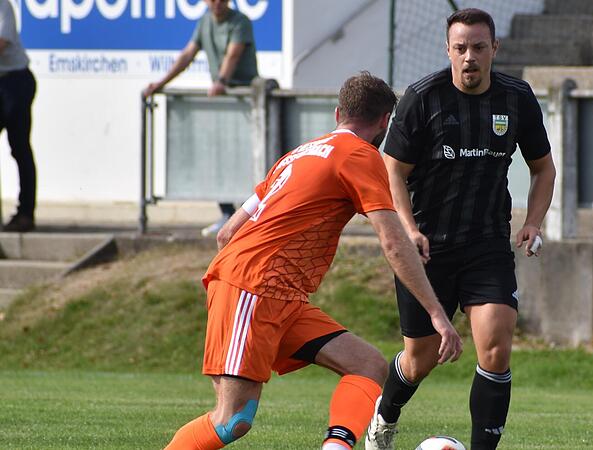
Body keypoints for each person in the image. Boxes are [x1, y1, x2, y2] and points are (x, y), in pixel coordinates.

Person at [163, 72, 462, 450]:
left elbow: (227, 233)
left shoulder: (298, 154)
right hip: (254, 289)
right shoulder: (362, 155)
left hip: (278, 295)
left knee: (369, 365)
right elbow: (393, 241)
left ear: (338, 113)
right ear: (386, 121)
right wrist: (436, 313)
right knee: (232, 420)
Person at [366, 8, 556, 450]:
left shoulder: (516, 98)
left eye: (478, 47)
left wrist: (532, 222)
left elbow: (543, 168)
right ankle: (386, 414)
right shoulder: (422, 97)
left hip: (487, 245)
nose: (469, 57)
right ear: (447, 49)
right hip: (428, 249)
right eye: (460, 48)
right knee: (420, 360)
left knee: (495, 349)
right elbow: (391, 170)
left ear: (495, 49)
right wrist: (409, 229)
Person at [142, 0, 259, 237]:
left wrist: (221, 82)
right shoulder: (204, 22)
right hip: (223, 103)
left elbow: (233, 54)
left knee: (247, 159)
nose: (217, 3)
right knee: (219, 157)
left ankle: (252, 215)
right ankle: (227, 213)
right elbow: (187, 55)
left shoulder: (240, 22)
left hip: (244, 100)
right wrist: (161, 83)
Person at [0, 0, 37, 232]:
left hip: (15, 82)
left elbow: (1, 43)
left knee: (19, 148)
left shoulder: (2, 5)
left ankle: (25, 213)